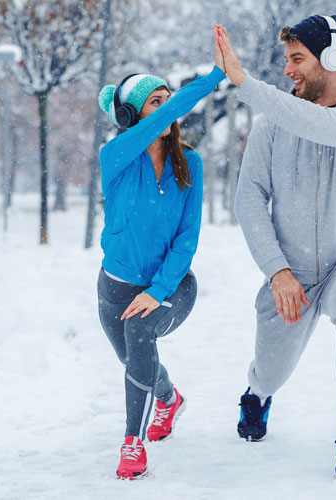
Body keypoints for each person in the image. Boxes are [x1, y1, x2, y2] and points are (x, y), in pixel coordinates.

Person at [215, 15, 336, 478]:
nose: (287, 70)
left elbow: (326, 127)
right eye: (286, 60)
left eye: (297, 59)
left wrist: (245, 83)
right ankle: (257, 393)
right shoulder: (272, 126)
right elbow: (249, 199)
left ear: (332, 58)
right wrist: (277, 270)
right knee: (271, 369)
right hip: (291, 270)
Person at [96, 26, 226, 480]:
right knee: (135, 360)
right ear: (132, 116)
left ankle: (132, 444)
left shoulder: (189, 163)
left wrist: (158, 290)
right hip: (114, 287)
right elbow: (160, 120)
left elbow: (187, 237)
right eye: (156, 102)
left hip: (171, 285)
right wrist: (208, 80)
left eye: (169, 100)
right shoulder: (115, 157)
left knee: (140, 332)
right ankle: (169, 400)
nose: (168, 108)